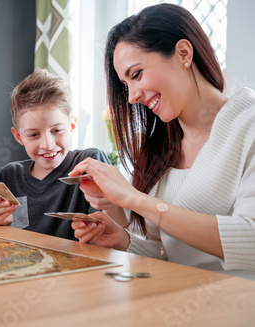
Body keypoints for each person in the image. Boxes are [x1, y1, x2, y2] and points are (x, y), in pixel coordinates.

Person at [69, 4, 255, 279]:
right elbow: (163, 254)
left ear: (183, 53)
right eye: (125, 85)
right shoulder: (161, 146)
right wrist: (123, 240)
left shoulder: (247, 124)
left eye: (136, 74)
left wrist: (134, 199)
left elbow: (250, 240)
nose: (131, 96)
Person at [0, 69, 124, 240]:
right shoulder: (11, 175)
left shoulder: (90, 163)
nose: (48, 144)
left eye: (56, 130)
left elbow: (115, 232)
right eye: (34, 135)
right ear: (19, 136)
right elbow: (12, 236)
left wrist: (110, 210)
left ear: (71, 125)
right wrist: (2, 222)